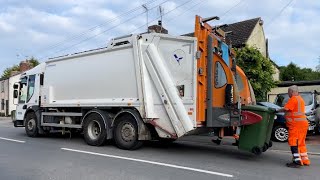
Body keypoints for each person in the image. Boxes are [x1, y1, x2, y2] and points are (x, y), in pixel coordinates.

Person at [277, 85, 310, 168]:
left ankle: (297, 161)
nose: (288, 94)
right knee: (301, 142)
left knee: (293, 142)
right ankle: (304, 160)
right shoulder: (300, 99)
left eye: (288, 92)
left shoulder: (294, 99)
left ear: (291, 92)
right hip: (303, 124)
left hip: (295, 125)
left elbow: (286, 109)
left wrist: (276, 110)